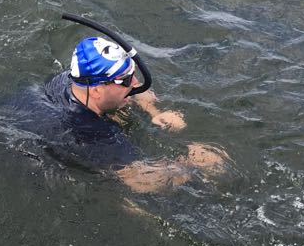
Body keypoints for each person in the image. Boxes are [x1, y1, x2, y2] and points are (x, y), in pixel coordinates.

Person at [43, 35, 227, 193]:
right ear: (98, 90)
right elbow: (138, 181)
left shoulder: (70, 79)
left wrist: (155, 111)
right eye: (126, 80)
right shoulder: (93, 135)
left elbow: (135, 87)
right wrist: (190, 164)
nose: (136, 82)